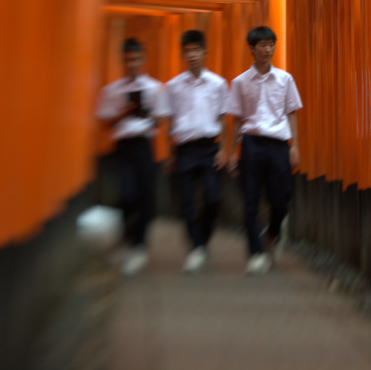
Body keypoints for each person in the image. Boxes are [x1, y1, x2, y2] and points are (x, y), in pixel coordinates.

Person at [227, 25, 303, 275]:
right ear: (252, 49)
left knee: (280, 200)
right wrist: (230, 152)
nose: (268, 49)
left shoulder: (285, 79)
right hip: (251, 143)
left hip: (279, 145)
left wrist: (295, 146)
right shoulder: (240, 82)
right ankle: (256, 253)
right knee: (250, 200)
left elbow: (292, 112)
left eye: (271, 44)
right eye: (263, 45)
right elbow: (236, 119)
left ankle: (272, 233)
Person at [96, 37, 171, 276]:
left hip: (144, 146)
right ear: (123, 60)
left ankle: (139, 244)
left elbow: (162, 119)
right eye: (128, 59)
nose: (133, 63)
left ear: (144, 59)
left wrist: (147, 114)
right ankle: (128, 236)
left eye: (137, 58)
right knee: (127, 194)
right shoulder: (112, 90)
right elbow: (104, 122)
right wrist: (123, 112)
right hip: (123, 146)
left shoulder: (154, 88)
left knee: (145, 196)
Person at [164, 29, 229, 274]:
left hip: (209, 146)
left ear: (205, 52)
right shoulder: (173, 86)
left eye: (196, 50)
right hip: (184, 148)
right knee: (187, 201)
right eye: (187, 51)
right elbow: (170, 123)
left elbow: (224, 118)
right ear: (182, 54)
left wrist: (223, 149)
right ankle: (196, 247)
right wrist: (170, 155)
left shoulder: (218, 84)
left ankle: (201, 239)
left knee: (214, 199)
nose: (192, 55)